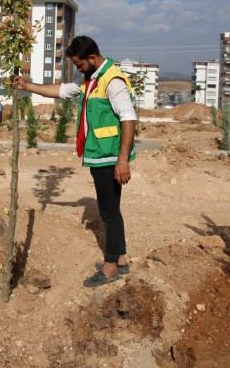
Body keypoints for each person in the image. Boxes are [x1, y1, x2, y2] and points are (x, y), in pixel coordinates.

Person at [11, 36, 137, 287]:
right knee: (112, 210)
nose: (77, 69)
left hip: (108, 156)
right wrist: (26, 86)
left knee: (109, 213)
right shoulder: (91, 80)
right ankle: (120, 260)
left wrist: (123, 161)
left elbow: (128, 118)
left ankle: (110, 267)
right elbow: (61, 90)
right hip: (101, 153)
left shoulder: (112, 81)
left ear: (92, 58)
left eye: (79, 65)